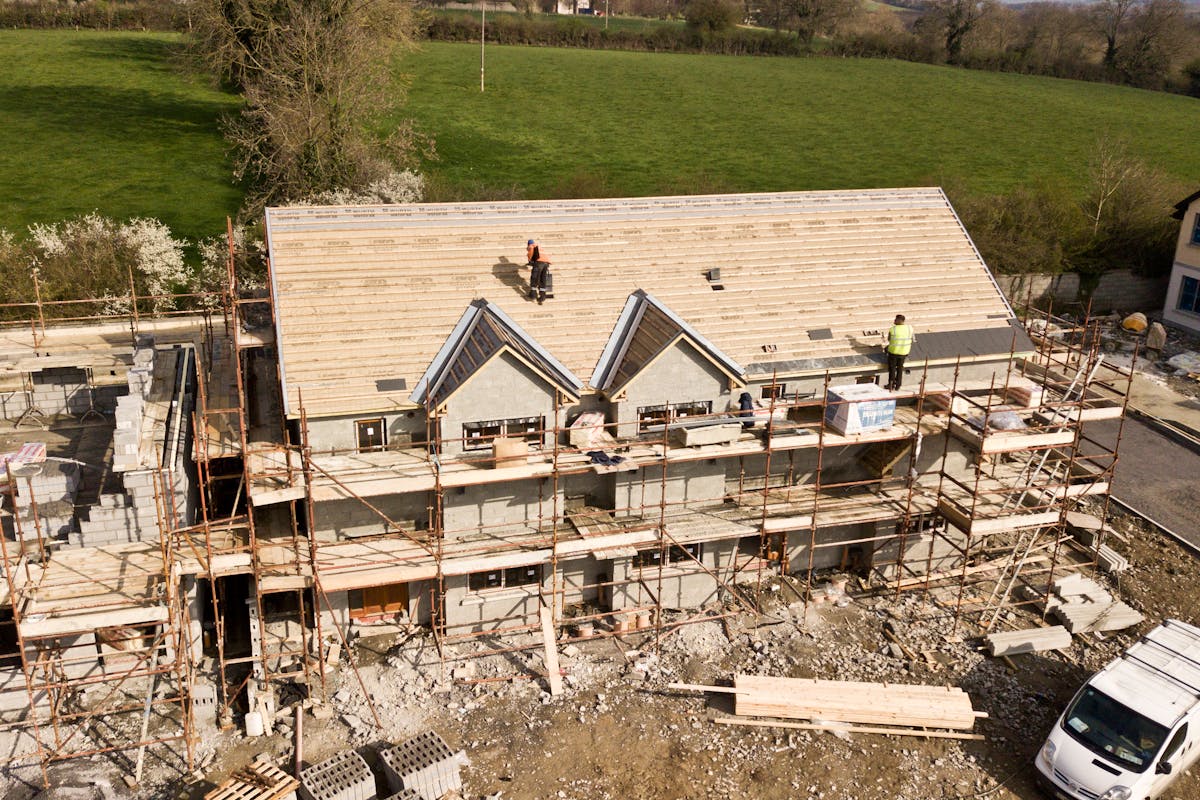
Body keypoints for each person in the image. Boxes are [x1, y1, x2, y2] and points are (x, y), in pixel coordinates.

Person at [883, 314, 914, 391]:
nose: (894, 321)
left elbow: (889, 339)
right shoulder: (910, 328)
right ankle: (898, 385)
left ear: (899, 320)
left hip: (894, 352)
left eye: (895, 319)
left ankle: (891, 384)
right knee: (900, 368)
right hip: (904, 352)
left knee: (892, 368)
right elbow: (912, 339)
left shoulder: (893, 329)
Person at [525, 239, 551, 304]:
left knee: (534, 277)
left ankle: (533, 295)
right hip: (546, 264)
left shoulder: (531, 247)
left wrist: (530, 262)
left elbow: (532, 260)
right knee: (543, 279)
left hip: (539, 263)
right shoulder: (540, 247)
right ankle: (542, 296)